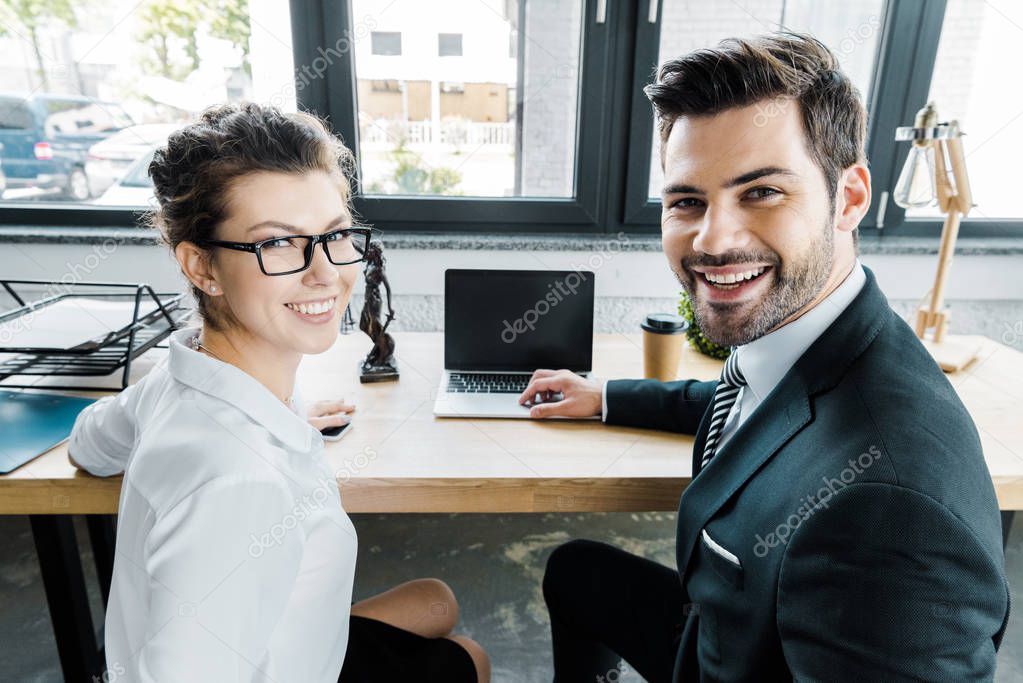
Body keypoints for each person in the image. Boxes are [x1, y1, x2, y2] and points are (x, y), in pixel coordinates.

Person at [520, 33, 1009, 681]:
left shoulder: (888, 508)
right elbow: (746, 402)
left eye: (761, 192)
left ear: (851, 196)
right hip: (721, 630)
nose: (712, 239)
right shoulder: (804, 338)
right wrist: (603, 396)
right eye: (686, 201)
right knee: (576, 570)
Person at [68, 102, 490, 683]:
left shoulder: (175, 377)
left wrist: (281, 417)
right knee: (468, 659)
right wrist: (249, 441)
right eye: (279, 245)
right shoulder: (240, 482)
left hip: (267, 636)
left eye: (335, 235)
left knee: (434, 599)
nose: (325, 274)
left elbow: (89, 444)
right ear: (201, 266)